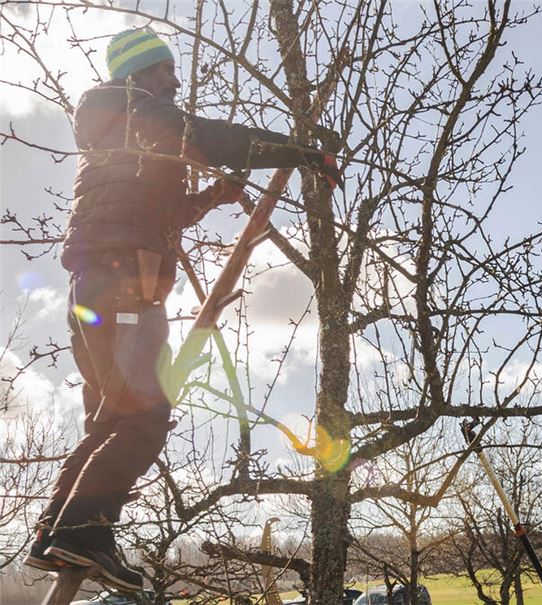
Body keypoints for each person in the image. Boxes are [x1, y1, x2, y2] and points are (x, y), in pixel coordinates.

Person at [23, 27, 340, 590]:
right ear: (139, 72)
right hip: (125, 287)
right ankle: (82, 533)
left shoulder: (119, 134)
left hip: (97, 289)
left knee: (110, 422)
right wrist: (301, 152)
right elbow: (210, 137)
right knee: (145, 417)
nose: (175, 80)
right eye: (165, 69)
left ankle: (57, 535)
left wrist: (212, 198)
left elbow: (153, 210)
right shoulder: (137, 109)